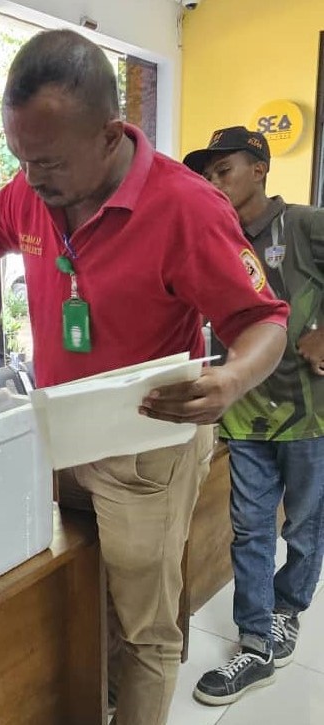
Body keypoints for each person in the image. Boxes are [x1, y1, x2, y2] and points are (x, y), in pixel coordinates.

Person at [0, 30, 289, 725]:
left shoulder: (186, 208)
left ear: (108, 134)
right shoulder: (34, 187)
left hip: (143, 450)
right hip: (58, 433)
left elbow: (266, 322)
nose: (32, 177)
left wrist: (226, 382)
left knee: (145, 626)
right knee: (69, 585)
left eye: (48, 161)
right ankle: (96, 693)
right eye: (21, 158)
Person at [183, 126, 324, 705]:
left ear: (260, 168)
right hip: (243, 415)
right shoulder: (215, 237)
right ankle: (257, 639)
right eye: (207, 175)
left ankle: (290, 606)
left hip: (307, 410)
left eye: (224, 171)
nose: (214, 183)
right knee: (250, 527)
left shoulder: (306, 225)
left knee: (305, 524)